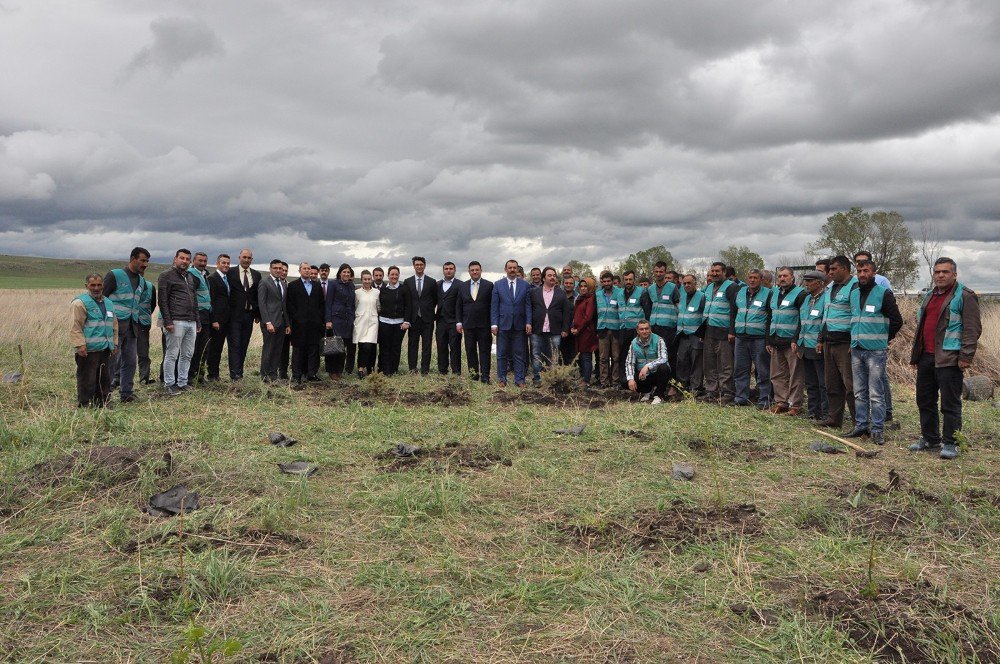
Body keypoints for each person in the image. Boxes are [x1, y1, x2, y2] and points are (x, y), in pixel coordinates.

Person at [908, 257, 982, 459]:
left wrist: (966, 356)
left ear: (954, 274)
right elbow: (922, 328)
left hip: (949, 358)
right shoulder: (930, 296)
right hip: (926, 357)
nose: (940, 275)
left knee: (950, 404)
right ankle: (930, 438)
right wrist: (917, 355)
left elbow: (972, 329)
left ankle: (950, 443)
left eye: (945, 272)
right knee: (924, 400)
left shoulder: (965, 296)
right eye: (937, 272)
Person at [844, 259, 903, 445]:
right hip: (857, 349)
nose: (862, 274)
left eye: (866, 270)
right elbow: (854, 319)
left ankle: (877, 429)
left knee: (876, 393)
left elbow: (897, 320)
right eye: (859, 271)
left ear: (874, 273)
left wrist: (885, 338)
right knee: (859, 391)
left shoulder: (883, 294)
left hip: (876, 351)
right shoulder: (853, 294)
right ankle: (861, 425)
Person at [104, 246, 151, 403]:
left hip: (133, 327)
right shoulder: (115, 275)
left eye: (147, 261)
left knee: (130, 361)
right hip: (115, 327)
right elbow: (101, 299)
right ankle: (104, 394)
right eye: (142, 260)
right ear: (132, 259)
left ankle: (126, 393)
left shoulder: (142, 282)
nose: (145, 264)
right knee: (111, 361)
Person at [818, 256, 857, 428]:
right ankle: (834, 419)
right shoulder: (829, 288)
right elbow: (826, 316)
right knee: (832, 383)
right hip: (829, 341)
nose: (830, 272)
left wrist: (854, 341)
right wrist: (821, 338)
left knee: (851, 385)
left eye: (834, 269)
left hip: (845, 343)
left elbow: (858, 316)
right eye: (830, 269)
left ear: (845, 269)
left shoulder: (854, 287)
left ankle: (859, 421)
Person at [71, 274, 118, 407]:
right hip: (88, 349)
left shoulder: (108, 303)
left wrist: (114, 343)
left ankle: (103, 402)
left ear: (103, 285)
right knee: (87, 378)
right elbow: (75, 326)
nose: (96, 288)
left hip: (105, 348)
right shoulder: (79, 303)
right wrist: (80, 345)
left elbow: (114, 325)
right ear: (87, 286)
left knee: (104, 378)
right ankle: (84, 403)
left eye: (99, 285)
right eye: (93, 285)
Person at [158, 249, 200, 395]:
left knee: (187, 354)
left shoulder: (189, 277)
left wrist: (198, 322)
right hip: (175, 320)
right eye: (182, 258)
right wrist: (168, 321)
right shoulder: (166, 276)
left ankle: (182, 382)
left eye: (187, 259)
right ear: (175, 259)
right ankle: (169, 384)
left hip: (191, 321)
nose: (185, 261)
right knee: (172, 354)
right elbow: (162, 300)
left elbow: (194, 300)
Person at [767, 266, 808, 415]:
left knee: (795, 374)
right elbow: (770, 316)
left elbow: (802, 319)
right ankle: (781, 402)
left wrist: (796, 339)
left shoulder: (800, 294)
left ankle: (795, 404)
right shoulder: (774, 293)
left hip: (791, 342)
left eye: (785, 276)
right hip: (776, 340)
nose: (782, 278)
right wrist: (768, 340)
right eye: (780, 276)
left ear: (792, 278)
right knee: (777, 374)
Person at [700, 261, 739, 404]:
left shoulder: (732, 287)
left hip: (724, 332)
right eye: (712, 271)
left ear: (724, 272)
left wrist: (732, 331)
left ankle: (727, 392)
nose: (714, 274)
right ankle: (711, 391)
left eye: (717, 271)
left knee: (725, 364)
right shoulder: (709, 287)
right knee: (709, 363)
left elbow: (735, 310)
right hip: (709, 331)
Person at [732, 269, 771, 408]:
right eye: (750, 277)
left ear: (761, 279)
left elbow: (770, 317)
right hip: (741, 337)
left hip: (759, 338)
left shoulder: (768, 294)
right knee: (740, 369)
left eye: (755, 277)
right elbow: (734, 313)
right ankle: (741, 397)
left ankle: (764, 400)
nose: (752, 280)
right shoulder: (740, 293)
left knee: (762, 370)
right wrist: (733, 331)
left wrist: (768, 340)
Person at [491, 259, 532, 387]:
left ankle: (519, 379)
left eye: (515, 268)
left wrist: (529, 322)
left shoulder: (524, 285)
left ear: (517, 270)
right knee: (502, 353)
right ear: (506, 269)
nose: (512, 270)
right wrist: (494, 324)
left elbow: (528, 306)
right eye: (510, 268)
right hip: (503, 324)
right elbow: (494, 306)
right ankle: (502, 379)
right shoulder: (498, 284)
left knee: (519, 353)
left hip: (519, 325)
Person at [529, 266, 572, 386]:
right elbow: (530, 309)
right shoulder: (534, 293)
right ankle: (537, 379)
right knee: (536, 354)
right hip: (537, 329)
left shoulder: (561, 293)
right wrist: (529, 324)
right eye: (550, 275)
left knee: (554, 356)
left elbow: (566, 313)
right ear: (543, 278)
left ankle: (552, 379)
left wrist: (565, 329)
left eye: (554, 275)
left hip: (555, 330)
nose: (553, 277)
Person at [796, 271, 829, 421]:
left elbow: (826, 322)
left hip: (817, 346)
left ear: (819, 282)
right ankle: (813, 411)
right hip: (805, 346)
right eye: (806, 281)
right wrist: (796, 341)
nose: (807, 284)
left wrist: (821, 341)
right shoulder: (807, 299)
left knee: (823, 382)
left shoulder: (826, 298)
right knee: (810, 382)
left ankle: (825, 412)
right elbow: (802, 321)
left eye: (810, 281)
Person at [644, 261, 680, 396]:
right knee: (654, 357)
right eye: (656, 271)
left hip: (669, 328)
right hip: (654, 327)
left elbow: (678, 307)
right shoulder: (650, 289)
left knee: (670, 357)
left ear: (665, 272)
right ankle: (656, 385)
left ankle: (673, 386)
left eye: (661, 272)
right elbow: (648, 308)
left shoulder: (672, 288)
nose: (658, 274)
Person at [286, 263, 325, 384]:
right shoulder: (293, 285)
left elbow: (321, 304)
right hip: (299, 324)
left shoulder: (317, 286)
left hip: (314, 324)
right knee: (298, 350)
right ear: (299, 270)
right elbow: (290, 304)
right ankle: (297, 375)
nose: (307, 271)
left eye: (309, 269)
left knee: (313, 349)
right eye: (305, 269)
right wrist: (297, 317)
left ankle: (311, 374)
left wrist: (319, 319)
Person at [455, 261, 494, 383]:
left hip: (484, 325)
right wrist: (459, 322)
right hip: (468, 325)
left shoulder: (489, 285)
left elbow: (493, 306)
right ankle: (474, 375)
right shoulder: (463, 286)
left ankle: (485, 376)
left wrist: (493, 323)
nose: (475, 272)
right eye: (472, 270)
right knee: (470, 350)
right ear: (469, 272)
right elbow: (459, 305)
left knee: (485, 351)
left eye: (477, 269)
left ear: (481, 270)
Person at [226, 249, 262, 380]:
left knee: (244, 344)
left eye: (249, 258)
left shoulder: (256, 275)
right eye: (244, 257)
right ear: (239, 257)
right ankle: (234, 373)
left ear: (252, 259)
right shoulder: (230, 272)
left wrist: (258, 314)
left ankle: (240, 371)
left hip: (249, 315)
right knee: (234, 344)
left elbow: (257, 295)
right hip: (234, 315)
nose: (246, 260)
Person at [403, 256, 437, 375]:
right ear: (413, 266)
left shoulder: (432, 282)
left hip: (427, 318)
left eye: (421, 264)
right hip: (413, 319)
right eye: (417, 264)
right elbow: (407, 301)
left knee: (426, 345)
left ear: (424, 266)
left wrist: (427, 310)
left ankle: (425, 369)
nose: (419, 266)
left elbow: (435, 299)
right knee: (413, 344)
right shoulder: (408, 282)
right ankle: (412, 368)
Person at [258, 259, 290, 383]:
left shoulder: (283, 283)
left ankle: (273, 374)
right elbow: (262, 304)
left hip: (281, 322)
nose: (278, 270)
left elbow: (283, 305)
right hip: (270, 323)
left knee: (277, 350)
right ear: (270, 269)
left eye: (280, 268)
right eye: (275, 268)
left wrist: (287, 323)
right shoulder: (264, 282)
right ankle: (265, 375)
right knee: (269, 349)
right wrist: (267, 322)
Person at [675, 273, 705, 397]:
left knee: (696, 362)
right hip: (682, 334)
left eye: (689, 283)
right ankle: (683, 387)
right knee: (682, 361)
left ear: (695, 284)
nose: (687, 285)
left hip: (696, 335)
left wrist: (702, 334)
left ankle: (695, 388)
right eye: (685, 283)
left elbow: (704, 316)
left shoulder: (702, 297)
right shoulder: (681, 297)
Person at [625, 320, 670, 404]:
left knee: (664, 368)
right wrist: (630, 379)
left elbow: (664, 358)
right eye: (642, 329)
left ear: (650, 329)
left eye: (646, 328)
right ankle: (647, 392)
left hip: (657, 373)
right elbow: (629, 362)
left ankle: (659, 395)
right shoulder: (633, 343)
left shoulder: (659, 340)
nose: (644, 331)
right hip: (644, 375)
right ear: (637, 331)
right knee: (625, 381)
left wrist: (647, 366)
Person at [325, 263, 357, 379]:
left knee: (343, 347)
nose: (346, 274)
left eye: (348, 272)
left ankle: (339, 370)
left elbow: (352, 304)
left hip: (348, 320)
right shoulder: (333, 284)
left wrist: (353, 316)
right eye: (344, 272)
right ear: (340, 273)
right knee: (334, 346)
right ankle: (331, 371)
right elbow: (328, 303)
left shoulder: (351, 286)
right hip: (336, 319)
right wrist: (328, 320)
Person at [617, 270, 648, 386]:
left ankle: (638, 380)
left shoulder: (642, 292)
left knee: (638, 355)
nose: (628, 282)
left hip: (636, 331)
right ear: (623, 280)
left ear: (634, 280)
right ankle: (624, 381)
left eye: (630, 279)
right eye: (626, 280)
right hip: (623, 329)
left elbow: (647, 310)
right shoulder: (619, 294)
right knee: (624, 355)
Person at [186, 252, 212, 385]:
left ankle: (199, 375)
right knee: (194, 347)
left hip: (206, 315)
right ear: (193, 261)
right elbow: (192, 297)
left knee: (204, 347)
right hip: (198, 316)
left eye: (205, 261)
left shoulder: (204, 274)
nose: (203, 263)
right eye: (200, 261)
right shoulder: (191, 274)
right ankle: (190, 376)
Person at [594, 270, 624, 388]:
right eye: (604, 281)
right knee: (603, 357)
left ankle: (615, 381)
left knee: (616, 357)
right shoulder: (597, 294)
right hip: (602, 329)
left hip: (616, 329)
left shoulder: (619, 293)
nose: (606, 283)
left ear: (612, 281)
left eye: (609, 281)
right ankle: (604, 382)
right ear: (601, 282)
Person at [205, 254, 232, 382]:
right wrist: (214, 319)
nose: (226, 265)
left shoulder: (227, 279)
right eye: (223, 263)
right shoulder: (212, 278)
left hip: (226, 319)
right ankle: (212, 375)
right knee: (214, 348)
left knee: (219, 347)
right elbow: (211, 300)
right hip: (217, 320)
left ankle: (215, 373)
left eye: (228, 263)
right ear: (217, 264)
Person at [377, 267, 408, 375]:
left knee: (395, 347)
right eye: (392, 274)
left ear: (399, 275)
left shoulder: (404, 289)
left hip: (399, 323)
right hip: (384, 322)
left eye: (396, 274)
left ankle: (394, 370)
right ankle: (384, 370)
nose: (394, 276)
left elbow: (408, 306)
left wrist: (406, 322)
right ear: (388, 275)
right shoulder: (383, 289)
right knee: (385, 347)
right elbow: (379, 305)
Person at [435, 261, 462, 375]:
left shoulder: (460, 285)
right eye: (446, 268)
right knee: (441, 346)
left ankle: (456, 371)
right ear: (443, 270)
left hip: (454, 321)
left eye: (451, 268)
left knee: (455, 347)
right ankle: (442, 371)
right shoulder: (437, 284)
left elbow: (461, 304)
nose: (448, 270)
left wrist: (460, 321)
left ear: (455, 270)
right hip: (441, 320)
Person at [571, 277, 598, 387]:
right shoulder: (581, 298)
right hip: (579, 333)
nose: (582, 288)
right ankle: (583, 378)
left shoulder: (591, 299)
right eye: (581, 286)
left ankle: (586, 381)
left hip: (587, 332)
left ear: (590, 287)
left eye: (585, 286)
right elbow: (576, 315)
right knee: (582, 356)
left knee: (586, 356)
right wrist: (573, 327)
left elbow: (587, 317)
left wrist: (578, 329)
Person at [354, 270, 379, 377]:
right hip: (360, 322)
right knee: (362, 346)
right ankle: (360, 369)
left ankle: (368, 368)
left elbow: (379, 306)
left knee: (370, 346)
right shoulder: (357, 292)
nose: (367, 281)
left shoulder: (377, 292)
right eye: (365, 279)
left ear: (371, 279)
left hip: (373, 322)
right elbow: (354, 306)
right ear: (362, 279)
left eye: (369, 279)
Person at [135, 272, 156, 386]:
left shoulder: (150, 286)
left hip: (143, 323)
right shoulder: (126, 287)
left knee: (143, 352)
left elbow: (152, 305)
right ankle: (117, 379)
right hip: (127, 322)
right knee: (123, 352)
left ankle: (144, 378)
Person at [560, 274, 578, 366]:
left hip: (573, 330)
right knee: (561, 354)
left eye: (571, 283)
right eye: (566, 283)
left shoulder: (578, 298)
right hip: (560, 329)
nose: (568, 285)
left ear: (574, 285)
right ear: (563, 284)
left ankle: (571, 375)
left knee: (573, 354)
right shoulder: (558, 295)